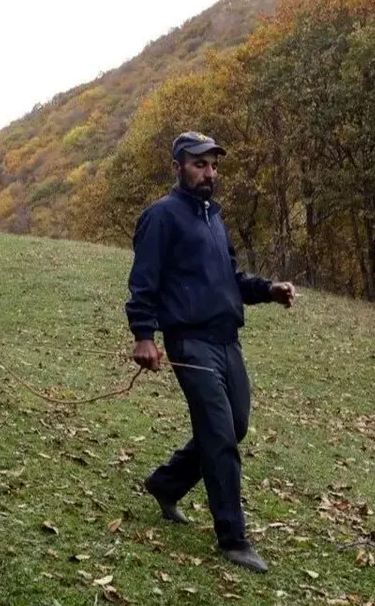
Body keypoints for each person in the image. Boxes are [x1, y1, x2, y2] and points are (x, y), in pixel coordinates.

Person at [125, 130, 296, 573]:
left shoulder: (213, 218)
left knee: (234, 426)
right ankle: (233, 538)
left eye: (214, 165)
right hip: (190, 341)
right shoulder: (160, 216)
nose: (210, 173)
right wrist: (144, 335)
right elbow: (143, 282)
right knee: (218, 434)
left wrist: (268, 290)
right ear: (178, 166)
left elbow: (230, 279)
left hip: (226, 340)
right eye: (200, 164)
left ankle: (167, 483)